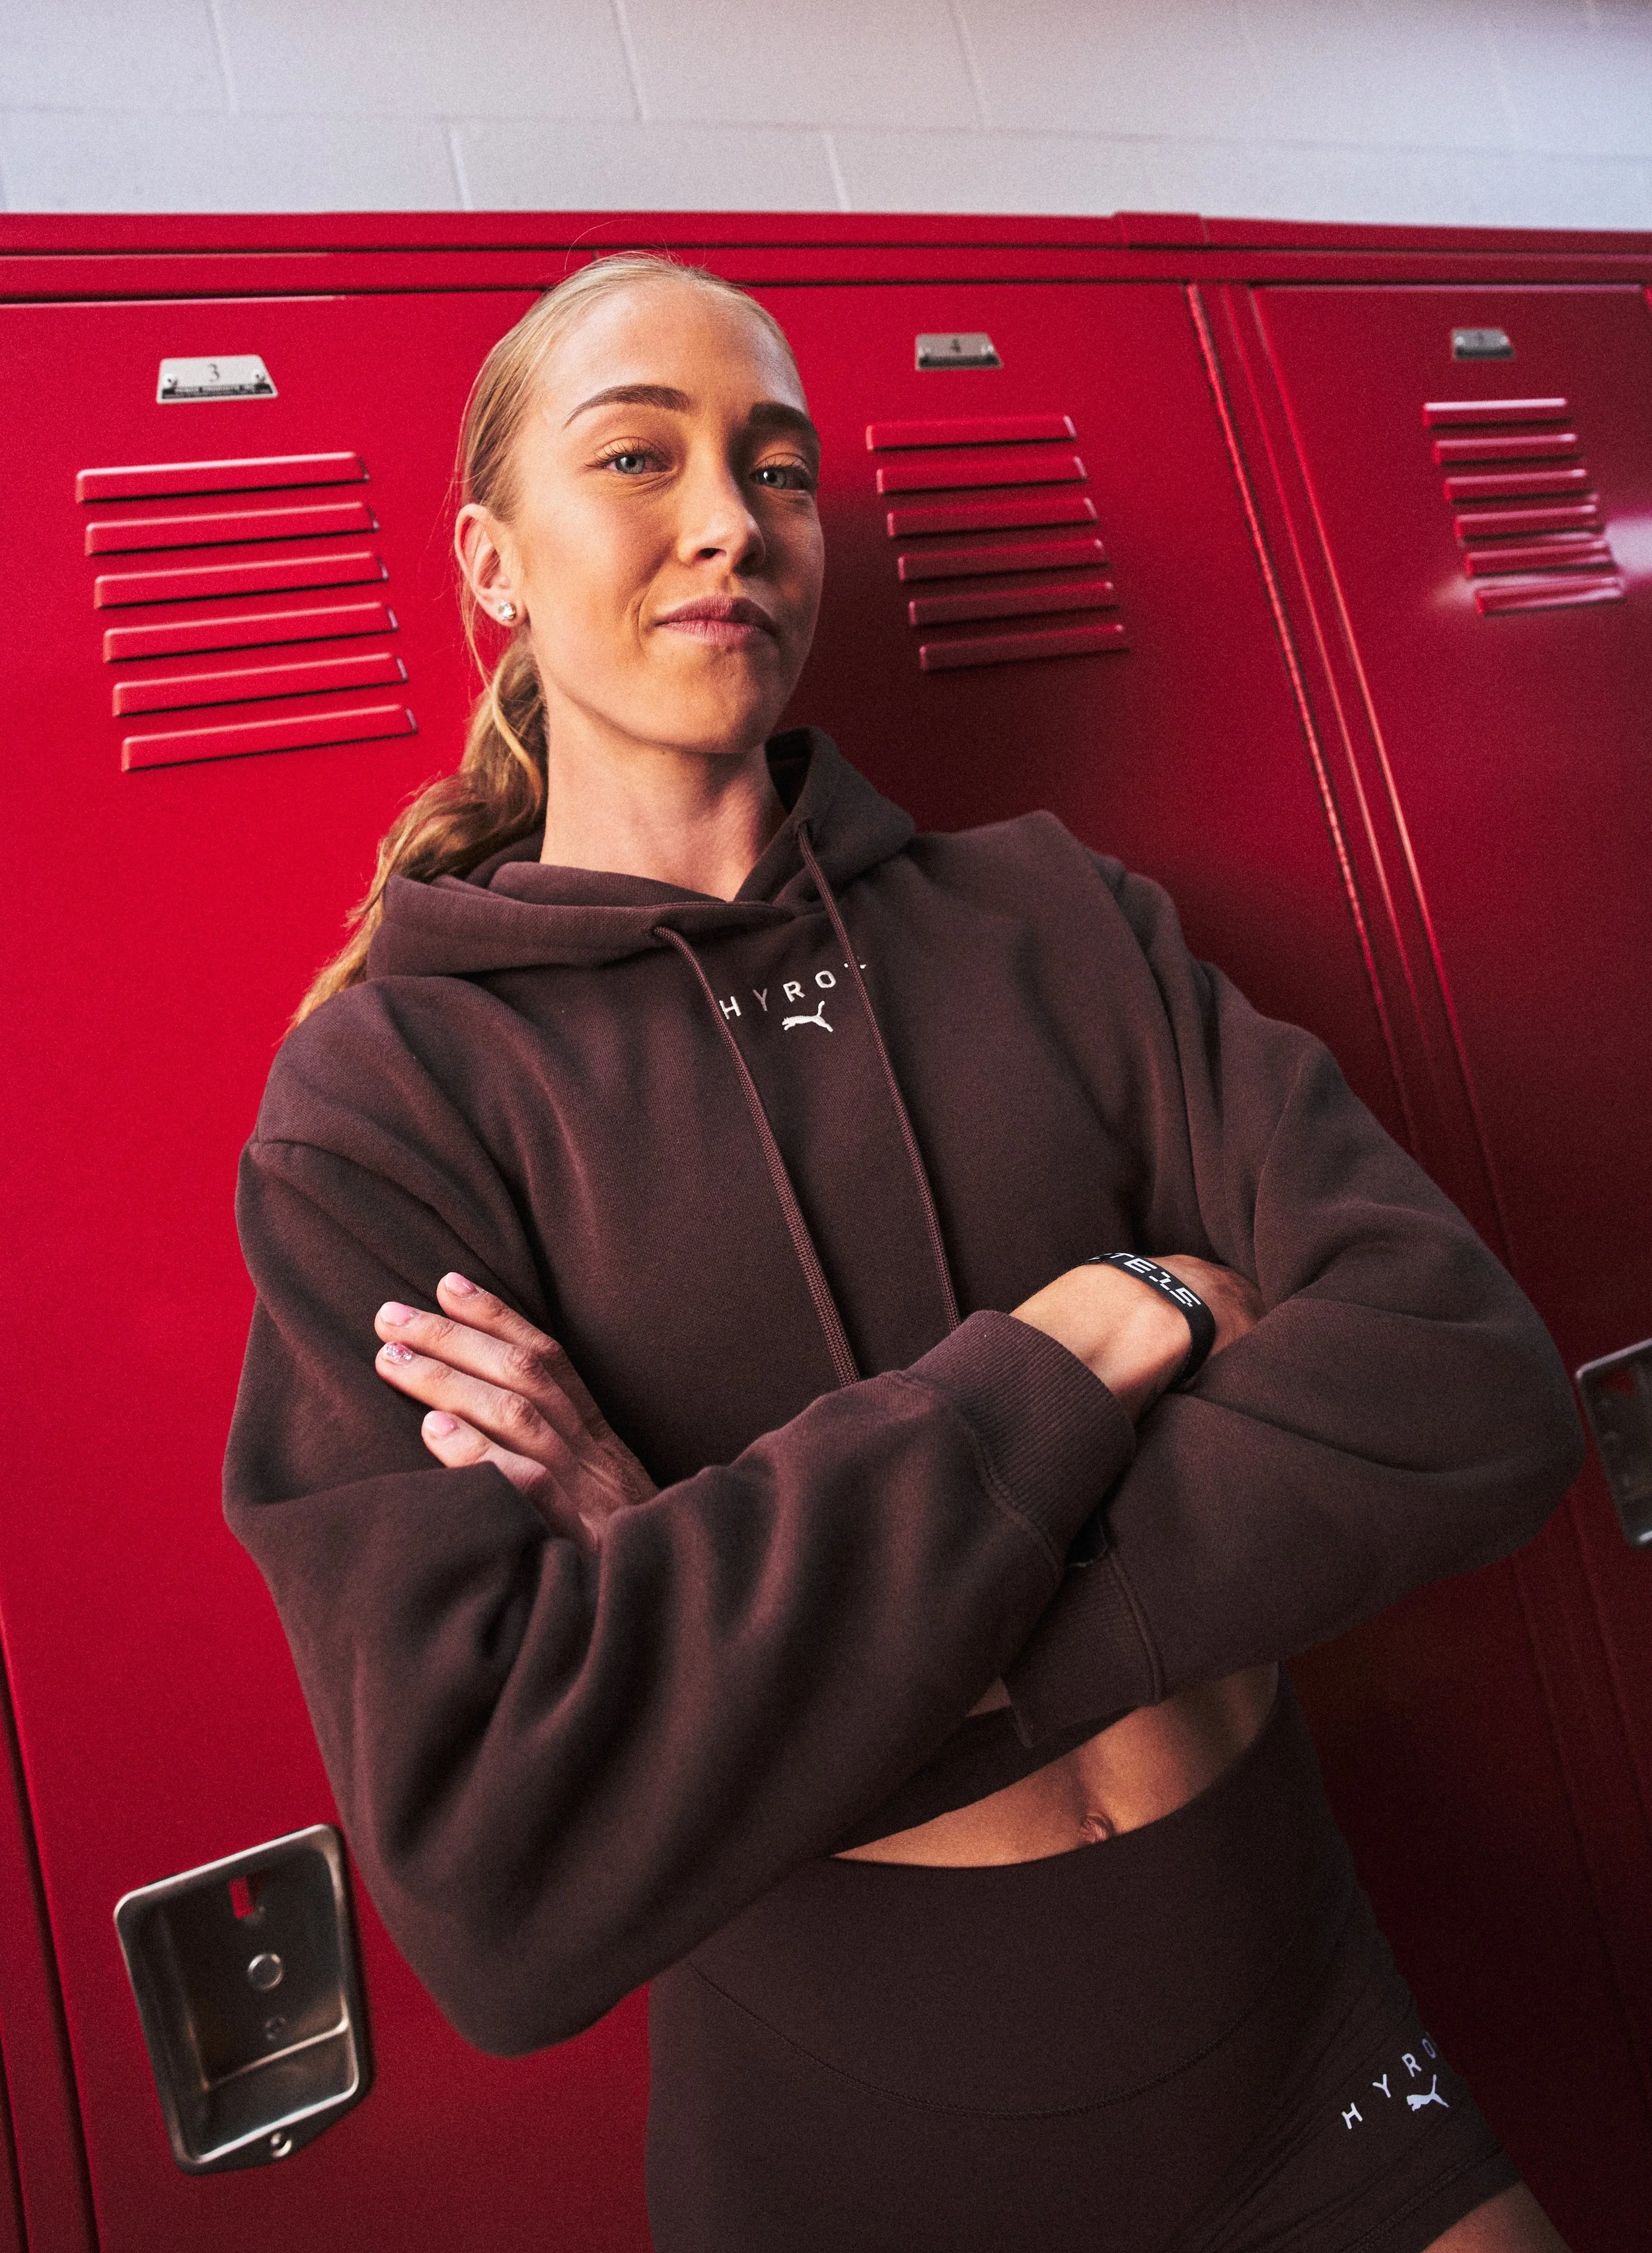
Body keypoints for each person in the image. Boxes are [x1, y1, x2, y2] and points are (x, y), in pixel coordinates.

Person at [225, 251, 1582, 2252]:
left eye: (778, 471)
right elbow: (504, 1868)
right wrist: (1084, 1347)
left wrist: (743, 1633)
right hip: (867, 2152)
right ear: (490, 559)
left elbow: (1469, 1383)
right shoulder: (393, 1099)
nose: (729, 521)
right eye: (639, 454)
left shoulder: (1057, 920)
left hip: (1306, 2039)